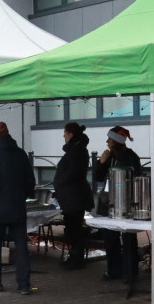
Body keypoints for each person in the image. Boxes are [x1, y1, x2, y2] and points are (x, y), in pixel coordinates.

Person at [0, 122, 36, 295]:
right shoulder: (20, 153)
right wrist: (21, 196)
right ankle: (24, 285)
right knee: (21, 246)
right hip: (18, 206)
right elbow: (30, 181)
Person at [93, 126, 143, 284]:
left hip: (126, 202)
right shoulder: (108, 156)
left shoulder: (131, 157)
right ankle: (114, 269)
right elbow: (98, 177)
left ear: (116, 141)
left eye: (109, 138)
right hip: (108, 202)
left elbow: (137, 177)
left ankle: (130, 272)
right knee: (110, 237)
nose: (107, 141)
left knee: (128, 237)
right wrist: (100, 163)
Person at [52, 122, 93, 270]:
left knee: (74, 228)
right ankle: (75, 255)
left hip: (73, 196)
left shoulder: (77, 150)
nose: (63, 135)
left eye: (65, 132)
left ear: (70, 134)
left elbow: (73, 173)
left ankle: (77, 257)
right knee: (72, 227)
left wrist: (60, 182)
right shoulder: (77, 150)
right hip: (72, 196)